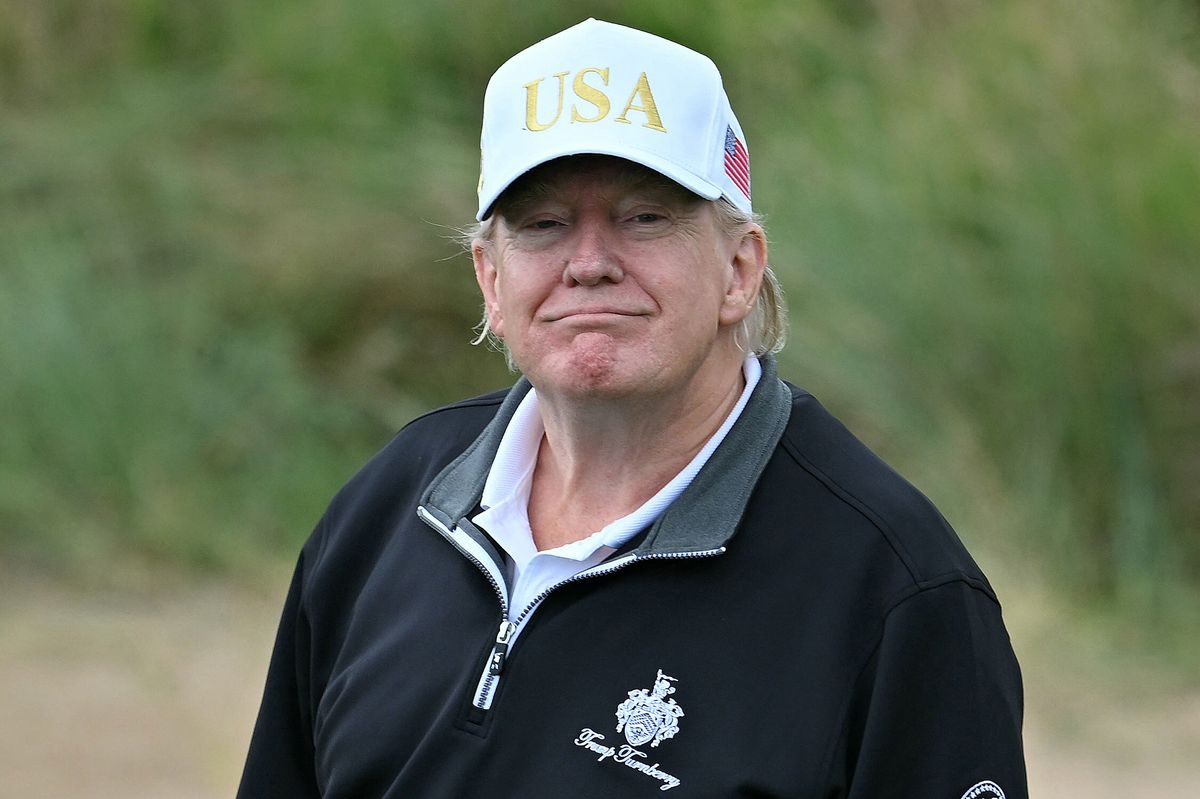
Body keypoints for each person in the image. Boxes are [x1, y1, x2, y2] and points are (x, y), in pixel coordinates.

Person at [238, 18, 1027, 799]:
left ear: (739, 268)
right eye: (543, 224)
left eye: (643, 217)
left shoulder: (897, 591)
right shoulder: (387, 511)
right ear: (491, 279)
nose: (588, 264)